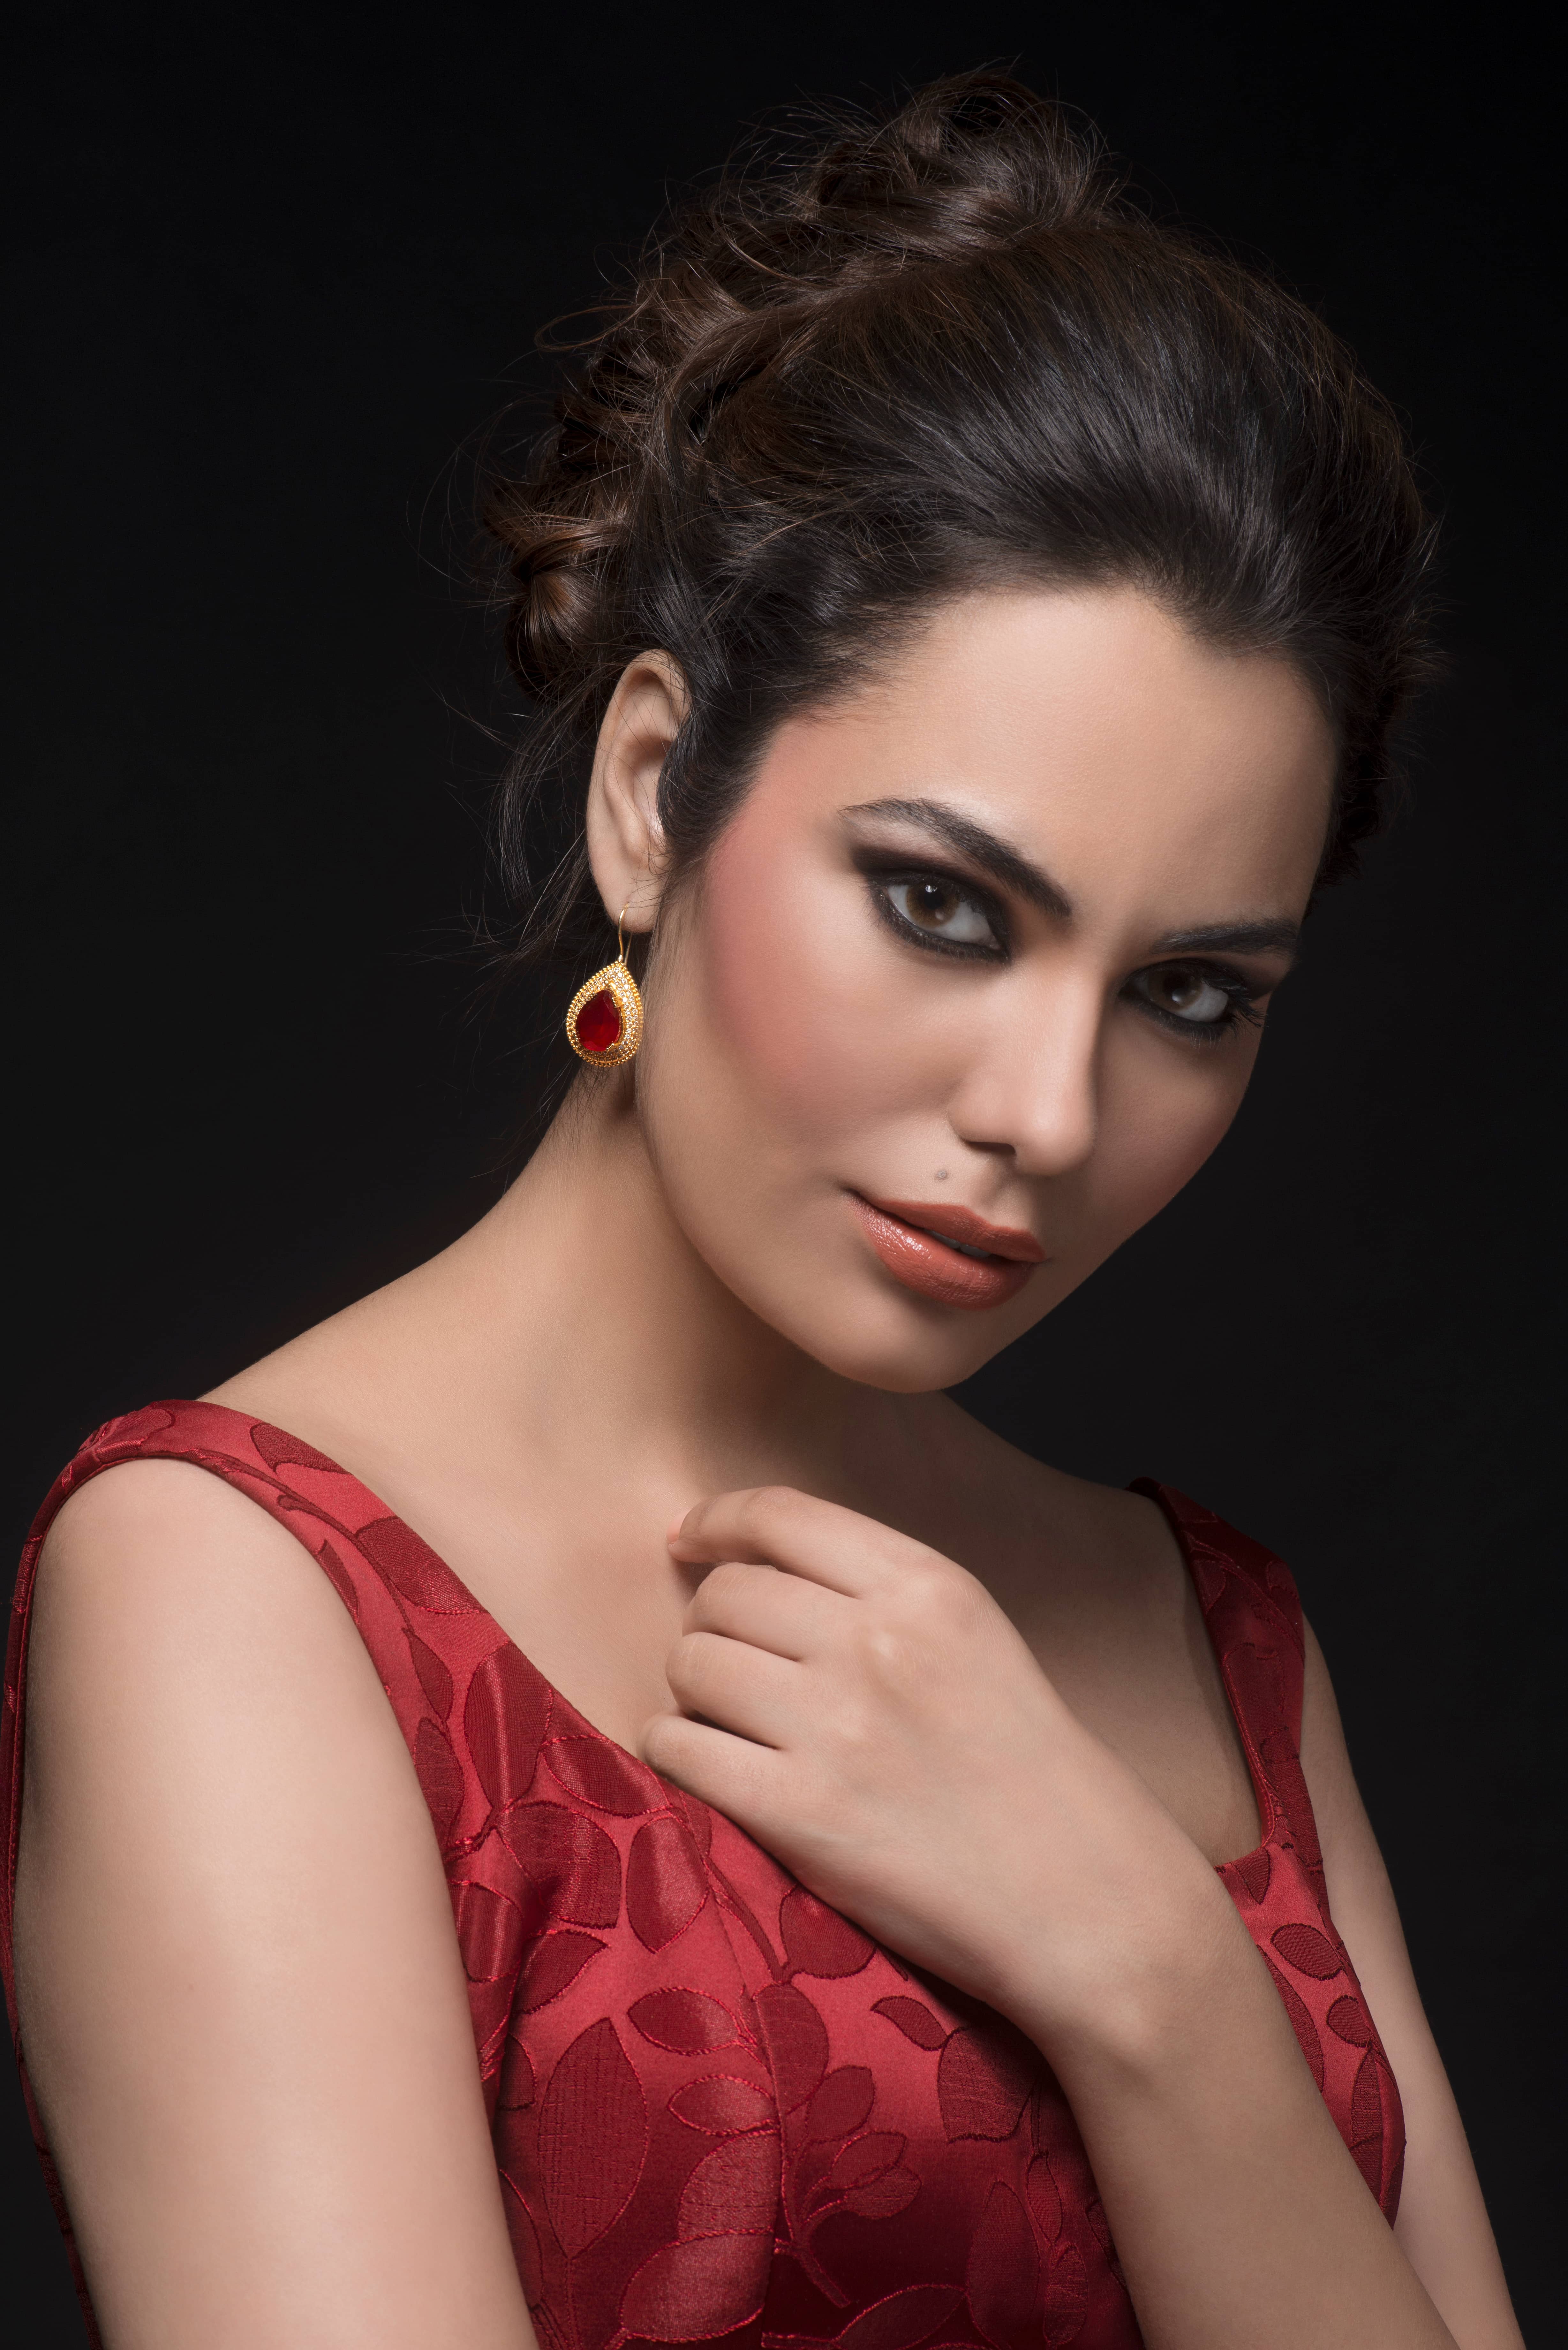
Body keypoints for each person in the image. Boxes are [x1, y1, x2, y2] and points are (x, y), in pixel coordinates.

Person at [1, 71, 1523, 2350]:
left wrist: (1147, 1971)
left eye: (1192, 995)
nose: (1046, 1112)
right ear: (652, 794)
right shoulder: (244, 1591)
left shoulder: (1205, 1635)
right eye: (942, 904)